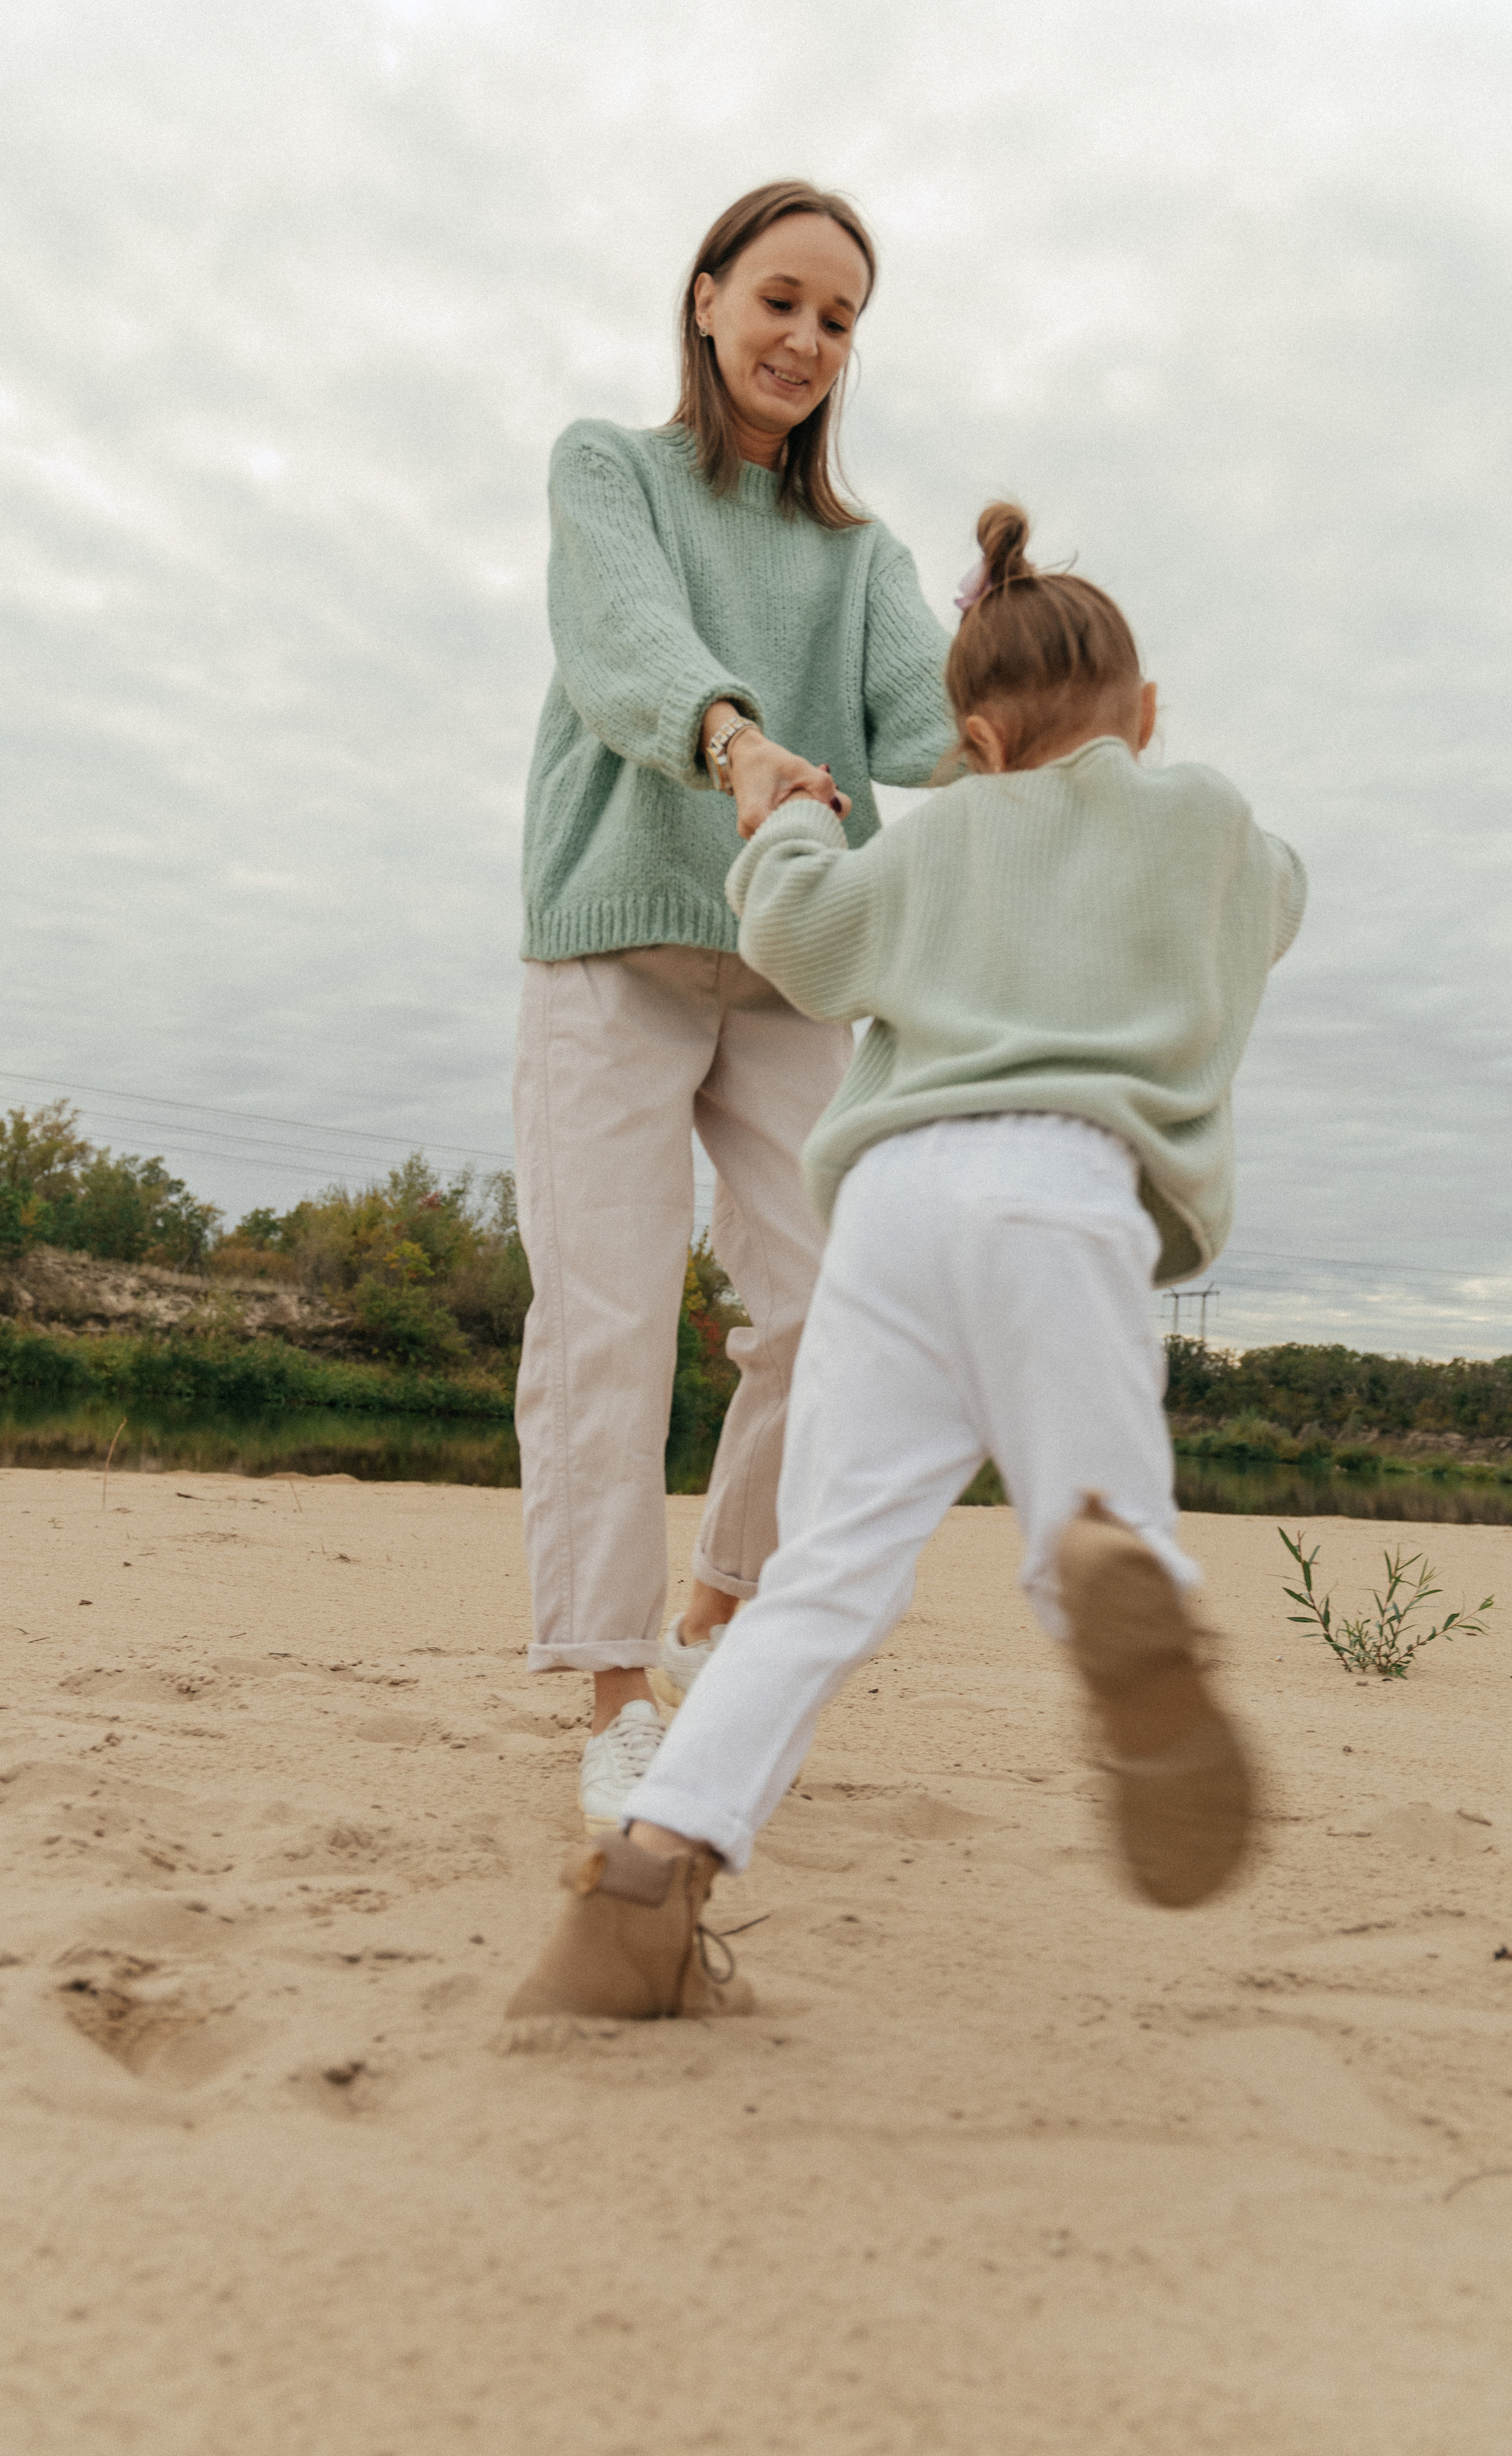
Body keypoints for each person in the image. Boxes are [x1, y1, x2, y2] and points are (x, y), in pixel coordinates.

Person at [507, 500, 1308, 2021]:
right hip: (1066, 1188)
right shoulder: (1202, 821)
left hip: (889, 1206)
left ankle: (647, 1879)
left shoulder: (936, 843)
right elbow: (1275, 900)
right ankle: (1106, 1573)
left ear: (977, 749)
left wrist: (794, 821)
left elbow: (802, 936)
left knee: (823, 1580)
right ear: (1142, 716)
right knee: (1094, 1511)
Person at [513, 180, 955, 1829]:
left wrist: (1039, 701)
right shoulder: (605, 470)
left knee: (838, 1308)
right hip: (613, 942)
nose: (804, 341)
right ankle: (615, 1689)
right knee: (609, 1318)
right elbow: (625, 638)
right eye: (778, 300)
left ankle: (714, 1613)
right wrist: (733, 740)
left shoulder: (859, 555)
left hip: (790, 965)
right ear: (704, 300)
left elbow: (926, 717)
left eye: (837, 321)